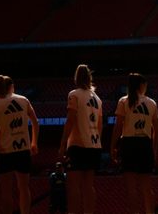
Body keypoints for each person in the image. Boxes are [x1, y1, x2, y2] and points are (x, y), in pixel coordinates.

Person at [0, 75, 39, 214]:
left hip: (5, 152)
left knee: (6, 191)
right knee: (24, 188)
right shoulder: (23, 100)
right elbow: (35, 122)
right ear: (11, 86)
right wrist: (34, 143)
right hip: (23, 149)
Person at [110, 73, 158, 214]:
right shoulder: (151, 103)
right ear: (141, 85)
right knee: (147, 188)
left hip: (128, 144)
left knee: (131, 189)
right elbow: (157, 130)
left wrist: (112, 146)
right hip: (145, 144)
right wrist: (154, 150)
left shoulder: (123, 101)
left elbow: (118, 127)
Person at [58, 64, 102, 214]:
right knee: (89, 186)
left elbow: (70, 119)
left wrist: (63, 144)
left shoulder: (74, 94)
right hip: (94, 145)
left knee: (74, 186)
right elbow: (99, 126)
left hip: (78, 144)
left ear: (76, 78)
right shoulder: (97, 99)